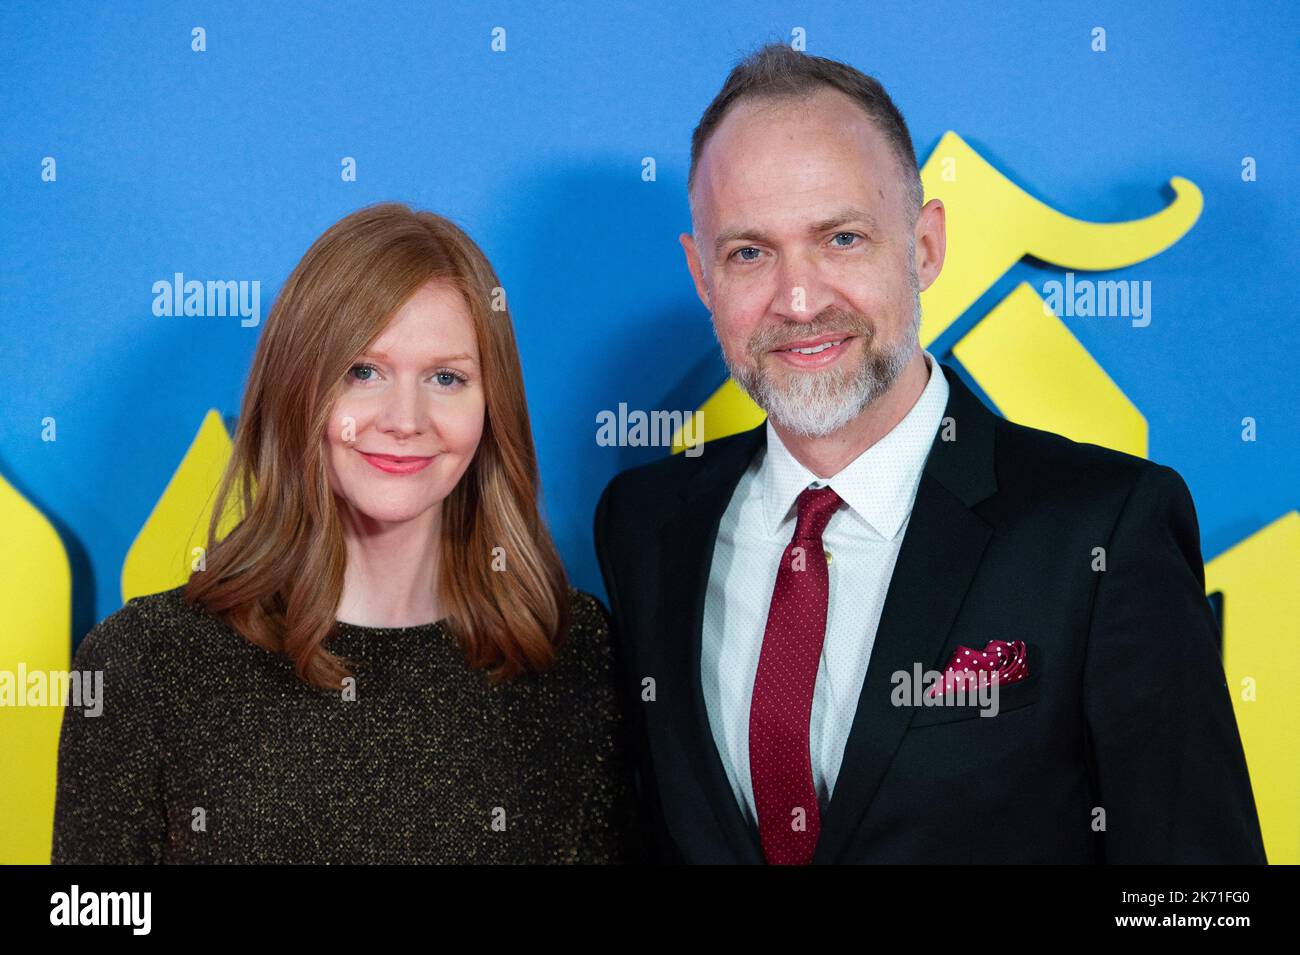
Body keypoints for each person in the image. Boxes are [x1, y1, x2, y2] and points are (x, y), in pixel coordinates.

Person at [593, 44, 1267, 864]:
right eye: (749, 252)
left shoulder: (1104, 527)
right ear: (702, 274)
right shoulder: (646, 524)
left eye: (841, 238)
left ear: (924, 246)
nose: (799, 300)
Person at [53, 202, 631, 864]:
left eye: (446, 377)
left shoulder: (570, 650)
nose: (405, 419)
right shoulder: (144, 664)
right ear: (297, 387)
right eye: (364, 371)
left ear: (490, 405)